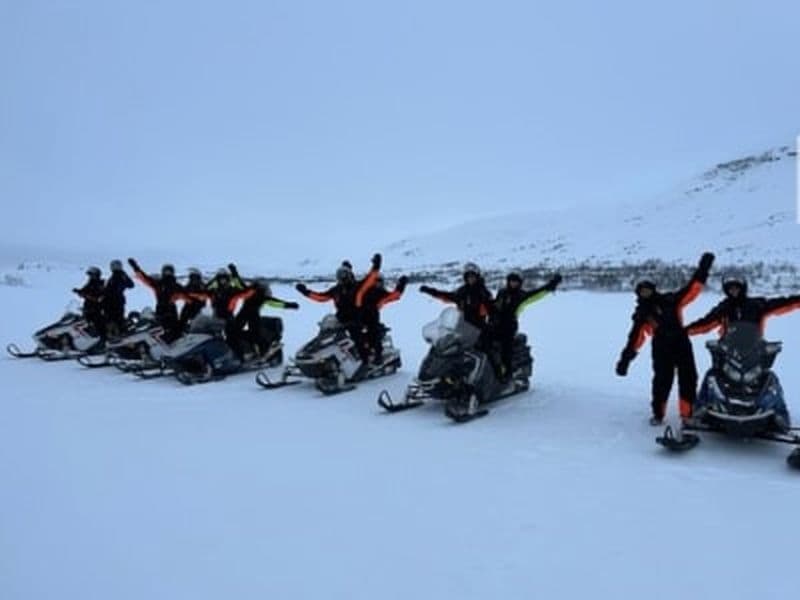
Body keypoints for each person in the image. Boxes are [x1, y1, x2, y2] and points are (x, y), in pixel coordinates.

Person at [615, 252, 715, 425]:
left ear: (653, 289)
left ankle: (687, 414)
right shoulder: (642, 313)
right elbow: (635, 339)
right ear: (639, 293)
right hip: (661, 348)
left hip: (681, 344)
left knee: (688, 378)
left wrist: (703, 269)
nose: (645, 292)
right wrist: (625, 360)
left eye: (648, 289)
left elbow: (692, 289)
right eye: (642, 291)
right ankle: (658, 414)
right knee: (662, 381)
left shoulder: (670, 300)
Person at [295, 253, 382, 360]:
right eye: (340, 276)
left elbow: (370, 278)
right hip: (340, 319)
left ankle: (366, 360)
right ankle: (322, 357)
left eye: (344, 275)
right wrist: (306, 292)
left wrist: (376, 265)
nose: (342, 278)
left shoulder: (358, 286)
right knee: (326, 334)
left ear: (349, 275)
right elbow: (321, 297)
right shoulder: (336, 290)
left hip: (357, 319)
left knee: (356, 336)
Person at [491, 271, 562, 381]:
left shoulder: (521, 295)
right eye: (511, 281)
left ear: (519, 283)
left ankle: (506, 374)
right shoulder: (502, 292)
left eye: (515, 282)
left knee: (506, 349)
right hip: (495, 324)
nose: (513, 283)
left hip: (509, 327)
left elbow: (537, 294)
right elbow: (494, 305)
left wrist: (551, 285)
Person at [686, 276, 800, 336]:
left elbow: (782, 304)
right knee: (714, 372)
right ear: (726, 291)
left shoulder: (756, 304)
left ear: (742, 288)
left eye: (736, 288)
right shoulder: (723, 307)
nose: (733, 291)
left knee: (767, 373)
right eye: (730, 289)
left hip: (755, 348)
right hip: (728, 350)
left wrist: (797, 301)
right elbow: (706, 323)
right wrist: (685, 331)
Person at [228, 278, 299, 358]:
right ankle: (243, 352)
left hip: (251, 316)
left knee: (253, 335)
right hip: (244, 316)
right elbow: (240, 285)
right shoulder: (250, 291)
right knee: (234, 333)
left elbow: (273, 302)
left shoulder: (259, 294)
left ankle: (262, 352)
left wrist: (288, 305)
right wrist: (234, 274)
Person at [419, 262, 494, 330]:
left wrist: (490, 324)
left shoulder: (483, 292)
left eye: (472, 276)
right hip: (460, 328)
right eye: (468, 276)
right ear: (465, 278)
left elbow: (491, 310)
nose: (470, 278)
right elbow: (447, 296)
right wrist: (430, 291)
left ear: (477, 277)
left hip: (477, 330)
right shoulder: (462, 291)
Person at [127, 258, 187, 343]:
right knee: (159, 331)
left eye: (169, 272)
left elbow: (188, 295)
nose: (168, 274)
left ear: (173, 273)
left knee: (175, 331)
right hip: (161, 310)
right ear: (163, 272)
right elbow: (145, 278)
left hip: (171, 311)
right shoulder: (159, 284)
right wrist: (136, 267)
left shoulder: (176, 286)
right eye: (166, 272)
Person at [360, 274, 408, 364]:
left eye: (379, 282)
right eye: (376, 282)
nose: (377, 284)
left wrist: (401, 284)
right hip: (357, 317)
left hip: (371, 319)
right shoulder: (363, 291)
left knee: (373, 334)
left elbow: (395, 295)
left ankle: (378, 356)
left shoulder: (380, 293)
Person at [103, 259, 134, 338]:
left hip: (116, 300)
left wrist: (120, 286)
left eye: (116, 266)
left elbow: (130, 285)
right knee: (112, 318)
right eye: (113, 266)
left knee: (116, 318)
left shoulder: (121, 275)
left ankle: (120, 334)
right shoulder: (114, 276)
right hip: (111, 300)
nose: (114, 268)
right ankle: (115, 333)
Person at [72, 266, 106, 338]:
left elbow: (99, 297)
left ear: (96, 275)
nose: (90, 277)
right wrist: (78, 291)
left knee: (97, 323)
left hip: (96, 308)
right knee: (84, 322)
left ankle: (101, 338)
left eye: (91, 275)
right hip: (88, 307)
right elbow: (84, 290)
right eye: (89, 275)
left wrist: (86, 295)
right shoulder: (90, 283)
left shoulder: (100, 284)